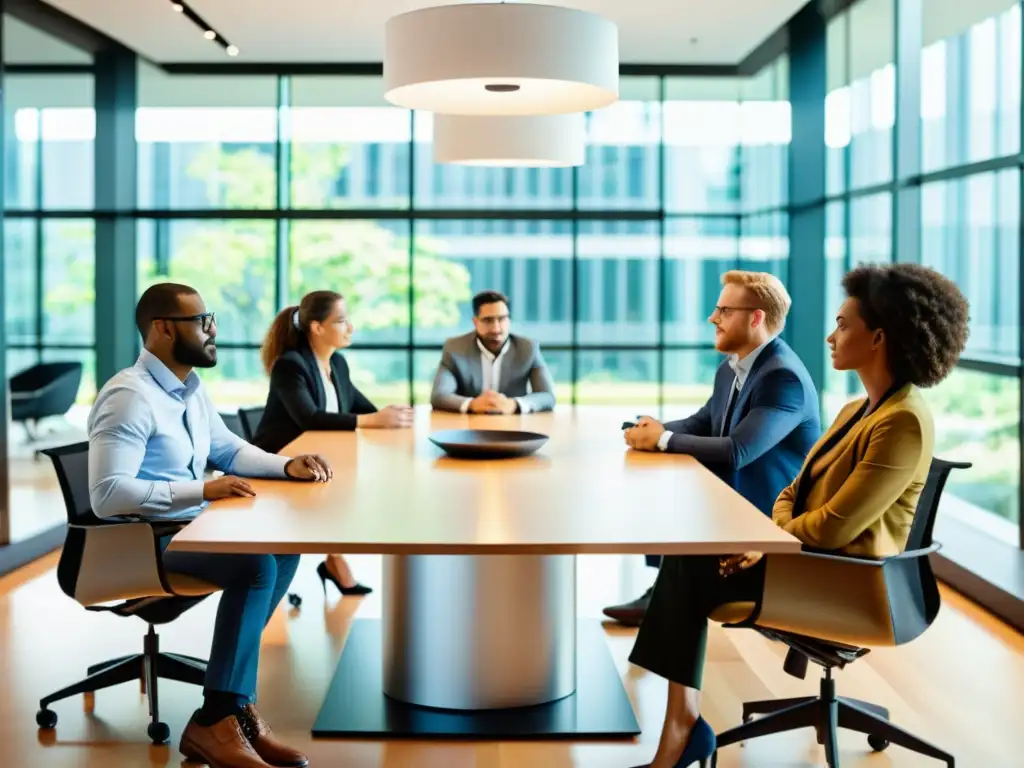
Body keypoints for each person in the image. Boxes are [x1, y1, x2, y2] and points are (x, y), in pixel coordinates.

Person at [625, 263, 970, 768]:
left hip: (853, 583)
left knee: (690, 562)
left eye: (844, 325)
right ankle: (683, 723)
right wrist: (771, 532)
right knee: (691, 555)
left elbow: (834, 526)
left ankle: (682, 727)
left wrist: (767, 539)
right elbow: (792, 490)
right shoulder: (857, 409)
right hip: (810, 556)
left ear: (878, 338)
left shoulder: (904, 424)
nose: (831, 336)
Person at [89, 282, 333, 768]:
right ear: (161, 329)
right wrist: (202, 490)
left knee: (285, 550)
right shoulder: (129, 397)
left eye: (211, 318)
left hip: (188, 528)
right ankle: (217, 719)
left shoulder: (190, 390)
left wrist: (285, 465)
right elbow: (107, 495)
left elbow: (228, 450)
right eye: (201, 321)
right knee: (256, 566)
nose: (212, 329)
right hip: (142, 540)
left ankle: (231, 708)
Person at [605, 271, 820, 626]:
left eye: (723, 310)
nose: (712, 318)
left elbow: (739, 450)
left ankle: (667, 596)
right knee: (665, 484)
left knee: (679, 507)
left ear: (756, 318)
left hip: (763, 524)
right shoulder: (732, 368)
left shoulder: (784, 377)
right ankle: (664, 591)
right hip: (729, 504)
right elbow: (702, 422)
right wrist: (650, 431)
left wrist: (661, 440)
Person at [251, 289, 413, 598]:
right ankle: (328, 564)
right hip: (278, 465)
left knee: (351, 484)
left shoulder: (337, 364)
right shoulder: (291, 365)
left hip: (314, 462)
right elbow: (309, 418)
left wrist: (397, 416)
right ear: (317, 327)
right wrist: (372, 420)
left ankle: (335, 561)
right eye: (341, 321)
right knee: (347, 487)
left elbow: (364, 410)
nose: (350, 327)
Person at [430, 289, 556, 414]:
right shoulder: (454, 348)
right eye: (488, 320)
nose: (496, 329)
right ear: (475, 322)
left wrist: (514, 404)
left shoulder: (528, 348)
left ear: (509, 320)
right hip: (468, 426)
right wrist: (472, 404)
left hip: (514, 427)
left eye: (502, 319)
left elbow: (547, 396)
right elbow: (439, 395)